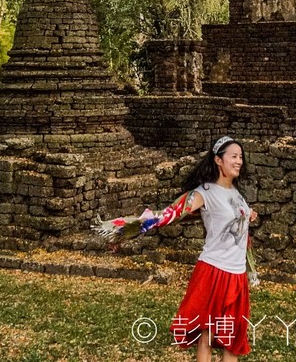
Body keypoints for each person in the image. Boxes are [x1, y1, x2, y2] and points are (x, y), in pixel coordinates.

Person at [93, 135, 258, 359]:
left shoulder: (237, 193)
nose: (239, 161)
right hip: (214, 271)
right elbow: (168, 214)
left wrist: (248, 214)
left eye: (240, 157)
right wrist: (125, 230)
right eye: (234, 156)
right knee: (207, 335)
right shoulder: (203, 193)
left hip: (237, 274)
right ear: (218, 160)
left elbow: (233, 221)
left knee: (232, 338)